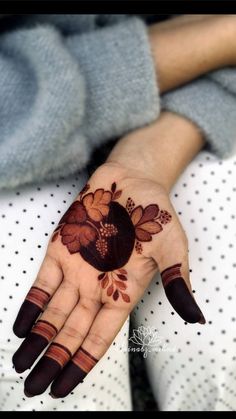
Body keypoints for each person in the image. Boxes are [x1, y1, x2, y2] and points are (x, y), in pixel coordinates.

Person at [0, 14, 236, 411]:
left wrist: (145, 163)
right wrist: (223, 37)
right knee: (34, 357)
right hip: (15, 141)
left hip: (199, 104)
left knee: (223, 352)